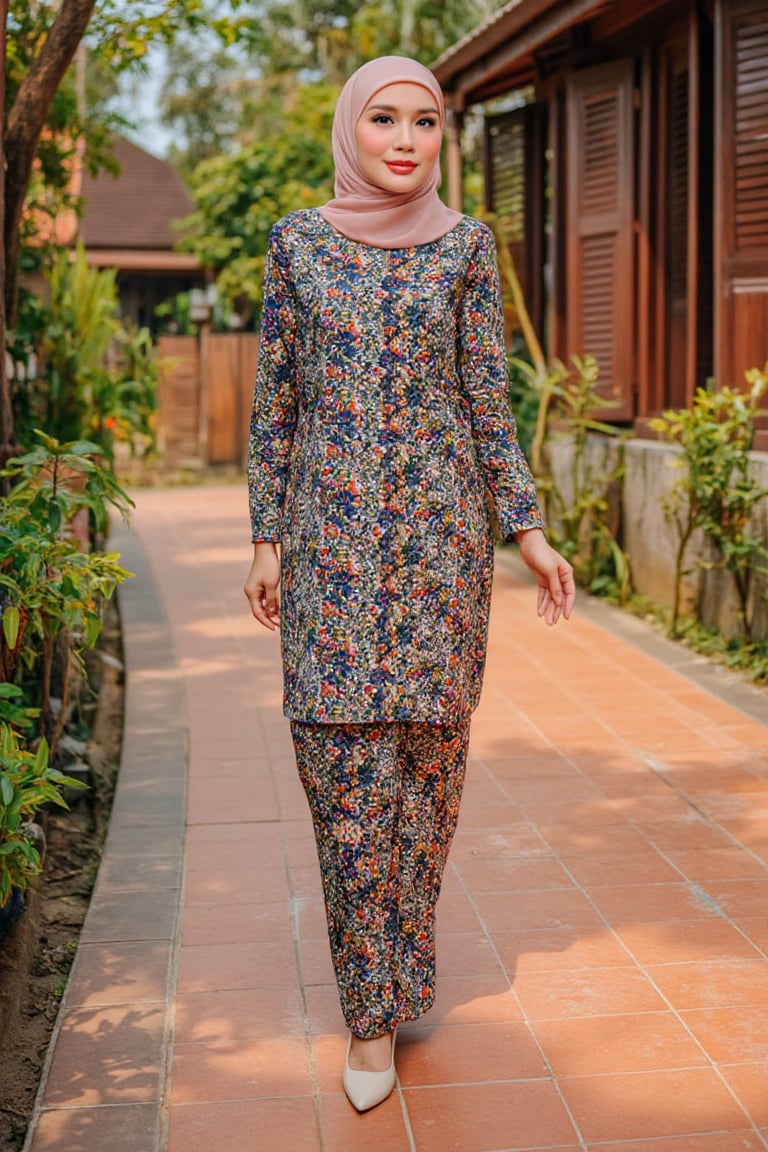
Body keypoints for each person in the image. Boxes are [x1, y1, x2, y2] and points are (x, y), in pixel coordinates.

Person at [244, 55, 575, 1113]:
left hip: (439, 561)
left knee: (425, 787)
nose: (402, 138)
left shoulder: (468, 248)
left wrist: (524, 527)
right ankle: (369, 1013)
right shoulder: (298, 244)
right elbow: (276, 404)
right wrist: (266, 540)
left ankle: (404, 968)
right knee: (343, 780)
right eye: (383, 118)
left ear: (442, 137)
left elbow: (487, 396)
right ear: (353, 127)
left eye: (423, 121)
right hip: (330, 560)